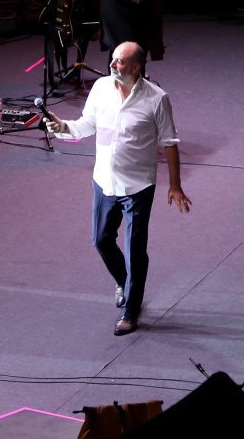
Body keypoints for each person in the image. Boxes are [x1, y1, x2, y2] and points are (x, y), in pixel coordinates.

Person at [44, 41, 191, 336]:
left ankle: (131, 311)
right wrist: (63, 128)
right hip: (104, 182)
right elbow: (87, 124)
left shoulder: (157, 99)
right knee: (101, 240)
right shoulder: (100, 88)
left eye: (119, 61)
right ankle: (125, 282)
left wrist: (175, 185)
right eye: (112, 59)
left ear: (136, 67)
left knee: (135, 250)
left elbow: (170, 144)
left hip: (138, 186)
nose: (112, 65)